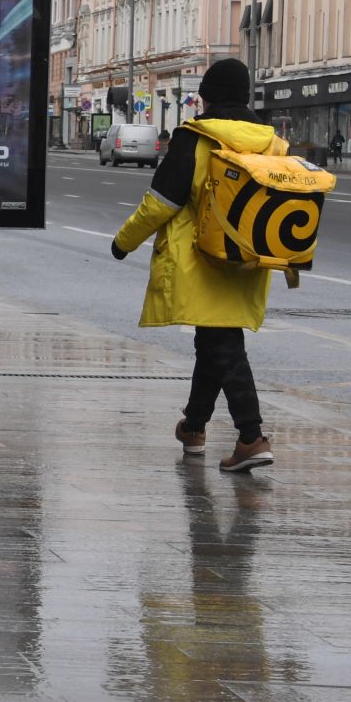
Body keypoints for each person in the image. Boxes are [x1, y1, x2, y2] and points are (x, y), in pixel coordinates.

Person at [110, 58, 275, 473]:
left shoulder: (196, 138)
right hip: (250, 259)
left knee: (223, 345)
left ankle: (251, 437)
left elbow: (161, 203)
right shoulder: (269, 142)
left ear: (206, 96)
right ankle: (194, 427)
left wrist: (123, 241)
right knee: (214, 340)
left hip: (201, 260)